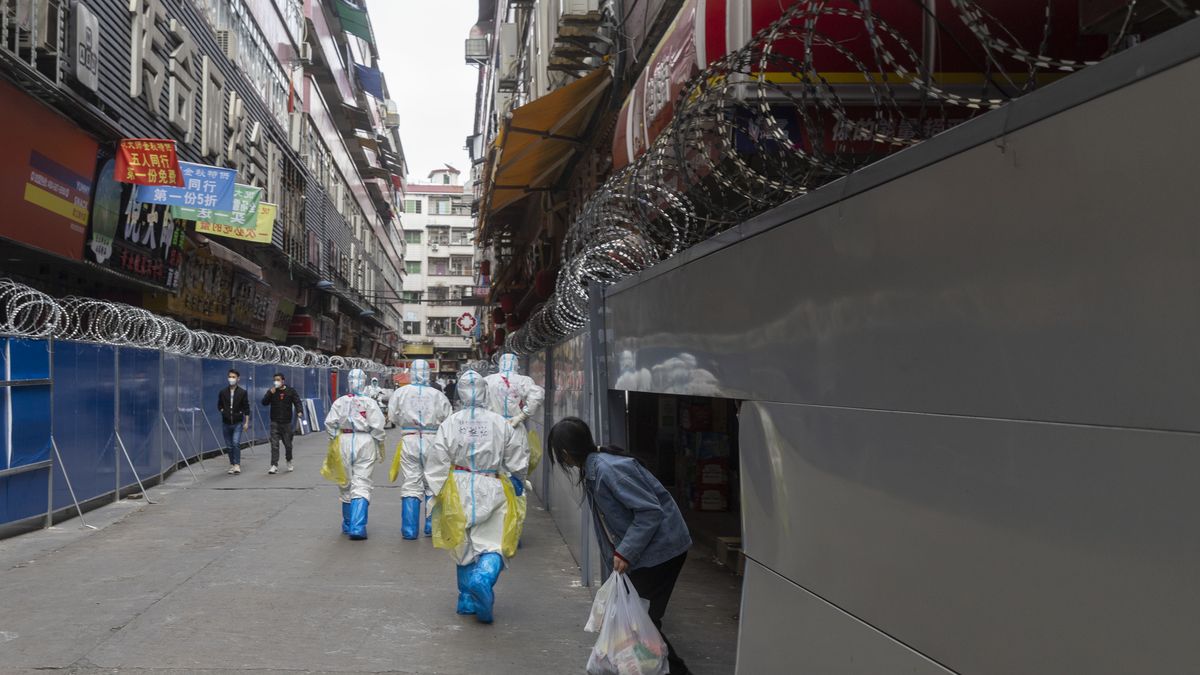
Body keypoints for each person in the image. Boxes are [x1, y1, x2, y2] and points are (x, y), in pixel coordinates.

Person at [547, 416, 693, 675]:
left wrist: (626, 551)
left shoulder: (608, 470)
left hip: (662, 551)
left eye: (560, 456)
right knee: (640, 619)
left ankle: (669, 670)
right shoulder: (596, 469)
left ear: (566, 453)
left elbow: (649, 512)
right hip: (650, 553)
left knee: (642, 621)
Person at [424, 370, 528, 624]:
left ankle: (468, 600)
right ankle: (483, 578)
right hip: (491, 483)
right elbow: (517, 457)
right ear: (485, 391)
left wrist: (436, 492)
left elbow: (437, 458)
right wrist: (518, 478)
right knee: (493, 542)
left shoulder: (451, 422)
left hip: (457, 486)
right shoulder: (500, 423)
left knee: (463, 545)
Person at [387, 359, 452, 539]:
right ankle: (431, 526)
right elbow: (448, 418)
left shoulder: (401, 393)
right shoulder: (438, 395)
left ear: (411, 372)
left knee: (411, 482)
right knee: (433, 483)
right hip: (433, 439)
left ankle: (409, 530)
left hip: (410, 439)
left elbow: (393, 416)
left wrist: (407, 424)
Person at [324, 368, 386, 540]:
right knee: (362, 482)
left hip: (343, 440)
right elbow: (378, 426)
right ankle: (357, 527)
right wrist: (379, 443)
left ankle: (348, 523)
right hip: (365, 441)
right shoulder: (370, 402)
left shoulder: (340, 402)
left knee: (345, 482)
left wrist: (335, 439)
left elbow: (330, 423)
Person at [485, 353, 545, 467]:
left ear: (500, 364)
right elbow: (538, 394)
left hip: (493, 428)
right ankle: (516, 484)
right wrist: (522, 416)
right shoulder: (523, 380)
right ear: (516, 365)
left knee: (494, 464)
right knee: (517, 465)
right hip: (515, 426)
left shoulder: (488, 380)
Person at [261, 372, 303, 474]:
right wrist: (269, 393)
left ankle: (289, 460)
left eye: (278, 380)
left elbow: (297, 401)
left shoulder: (290, 391)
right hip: (275, 422)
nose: (276, 382)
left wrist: (299, 411)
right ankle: (274, 465)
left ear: (283, 381)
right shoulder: (272, 391)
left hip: (286, 423)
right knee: (274, 445)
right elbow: (264, 402)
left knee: (288, 445)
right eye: (275, 380)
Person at [217, 369, 250, 475]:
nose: (231, 379)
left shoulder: (242, 392)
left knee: (235, 443)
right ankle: (232, 464)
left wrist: (246, 422)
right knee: (229, 445)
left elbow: (246, 408)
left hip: (237, 422)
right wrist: (223, 411)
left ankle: (237, 465)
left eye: (233, 377)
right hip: (226, 422)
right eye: (230, 377)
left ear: (238, 379)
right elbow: (219, 405)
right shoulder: (223, 392)